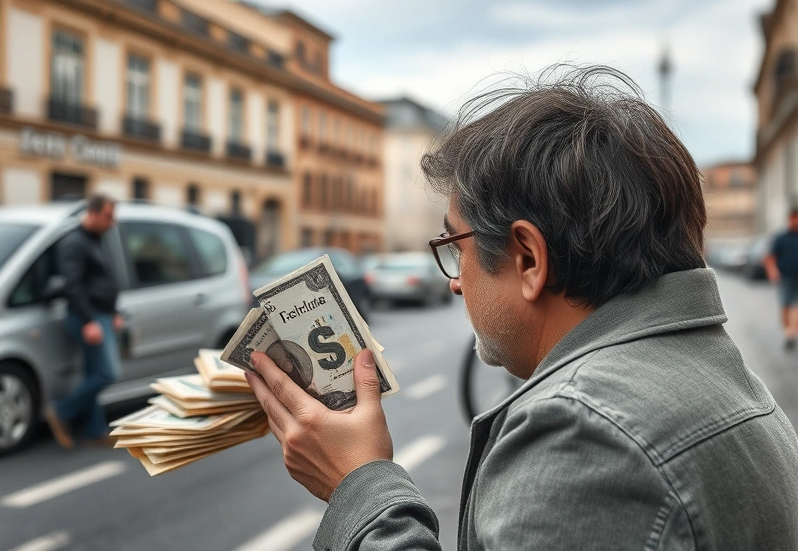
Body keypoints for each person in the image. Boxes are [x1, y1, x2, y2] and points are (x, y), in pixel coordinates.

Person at [245, 66, 798, 549]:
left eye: (453, 248)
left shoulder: (584, 436)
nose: (456, 284)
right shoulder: (706, 371)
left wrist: (359, 482)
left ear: (529, 258)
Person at [45, 194, 122, 449]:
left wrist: (113, 311)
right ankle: (61, 412)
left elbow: (101, 280)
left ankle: (95, 430)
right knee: (106, 373)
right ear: (93, 212)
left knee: (93, 372)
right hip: (87, 317)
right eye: (108, 216)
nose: (112, 222)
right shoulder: (74, 243)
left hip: (100, 315)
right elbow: (72, 285)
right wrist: (89, 321)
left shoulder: (95, 239)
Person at [764, 209, 798, 350]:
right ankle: (788, 333)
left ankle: (792, 331)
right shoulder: (781, 238)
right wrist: (773, 271)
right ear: (790, 219)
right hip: (785, 277)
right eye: (794, 218)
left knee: (795, 307)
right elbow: (769, 257)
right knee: (786, 305)